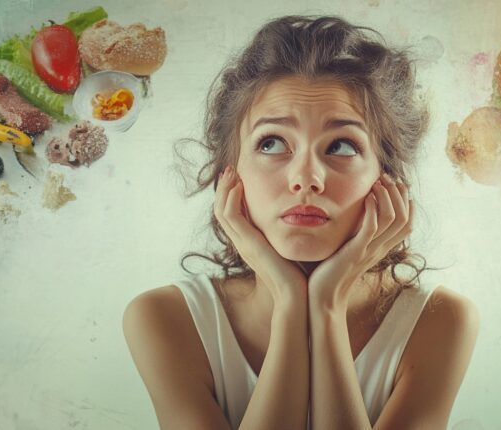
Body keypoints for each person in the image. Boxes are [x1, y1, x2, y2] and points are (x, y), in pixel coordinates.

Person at [123, 15, 479, 430]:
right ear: (229, 172)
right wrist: (291, 304)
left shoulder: (440, 321)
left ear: (387, 180)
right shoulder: (164, 320)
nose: (306, 178)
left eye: (341, 146)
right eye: (272, 143)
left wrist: (325, 305)